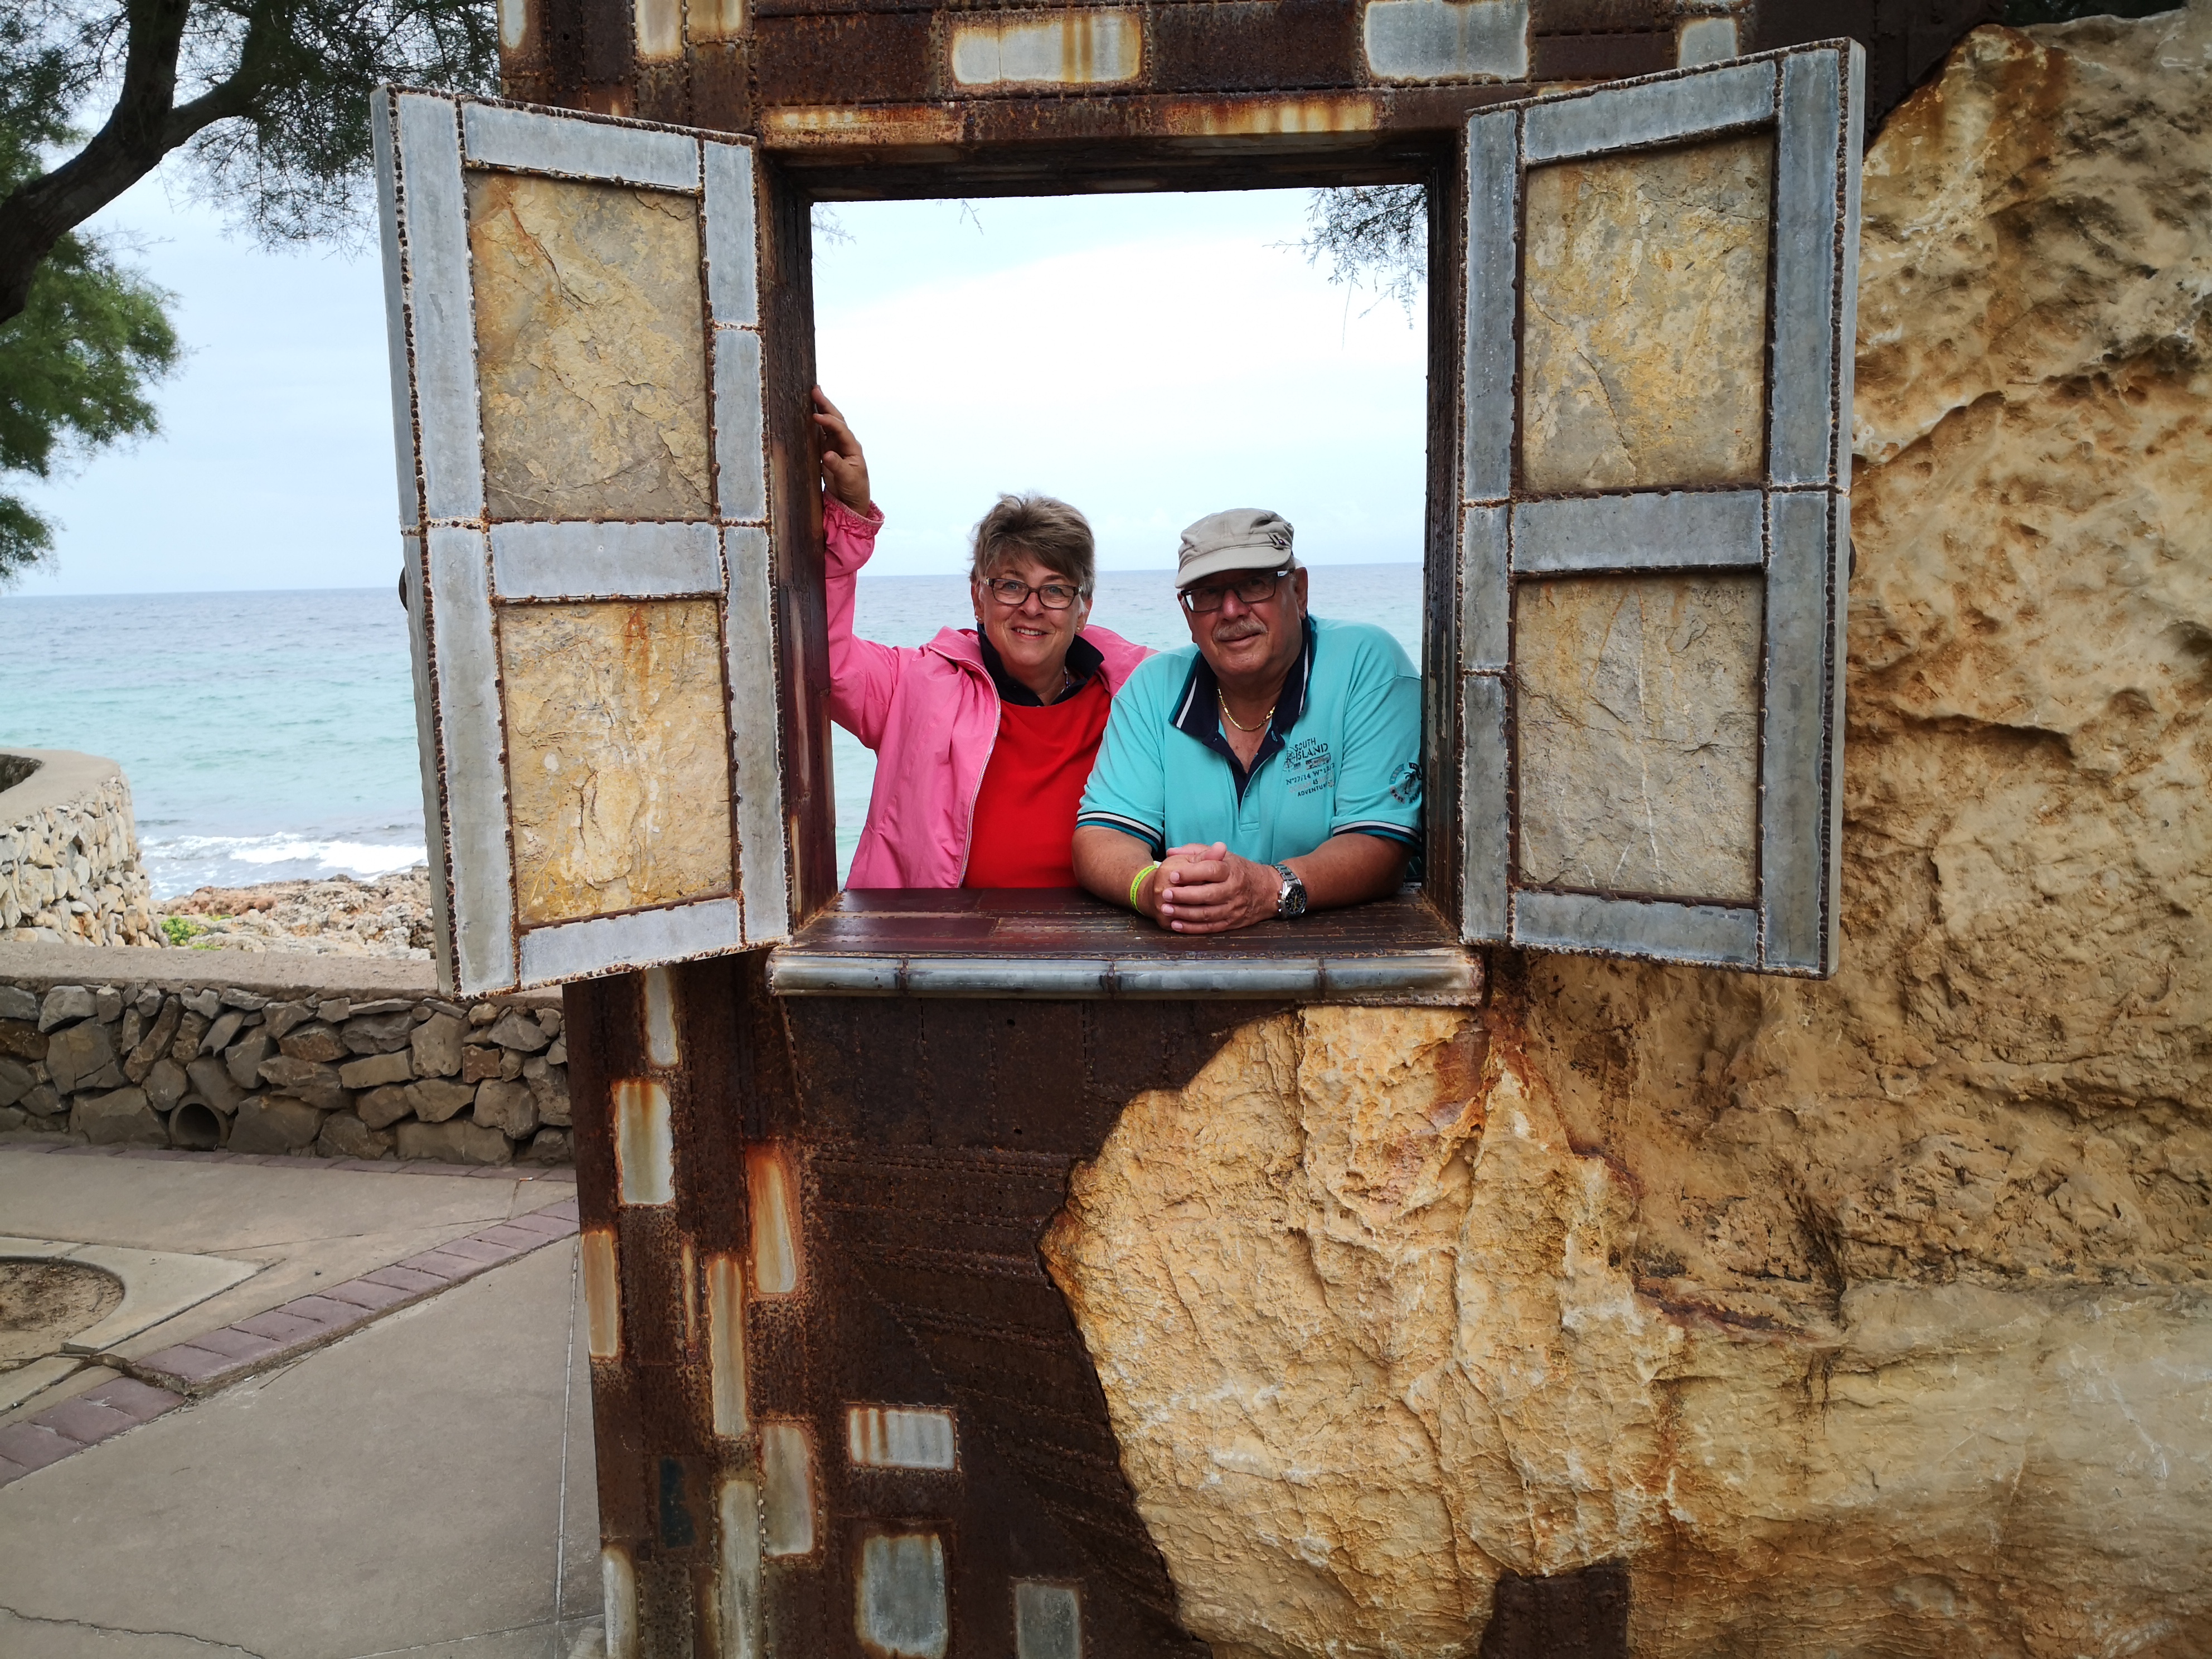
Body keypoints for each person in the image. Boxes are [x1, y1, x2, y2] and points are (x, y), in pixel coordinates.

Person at [815, 389, 1152, 888]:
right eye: (1011, 585)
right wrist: (849, 519)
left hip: (1102, 937)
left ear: (1083, 608)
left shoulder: (1139, 694)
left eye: (1055, 589)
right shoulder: (916, 686)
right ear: (978, 597)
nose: (1032, 607)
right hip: (939, 938)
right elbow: (818, 657)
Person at [1073, 508, 1422, 932]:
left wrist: (1268, 888)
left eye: (1255, 584)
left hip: (1352, 953)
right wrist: (1150, 888)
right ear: (1188, 615)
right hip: (1191, 957)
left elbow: (1382, 846)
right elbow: (1101, 836)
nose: (1231, 610)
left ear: (1299, 591)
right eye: (1207, 593)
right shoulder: (1152, 687)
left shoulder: (1367, 665)